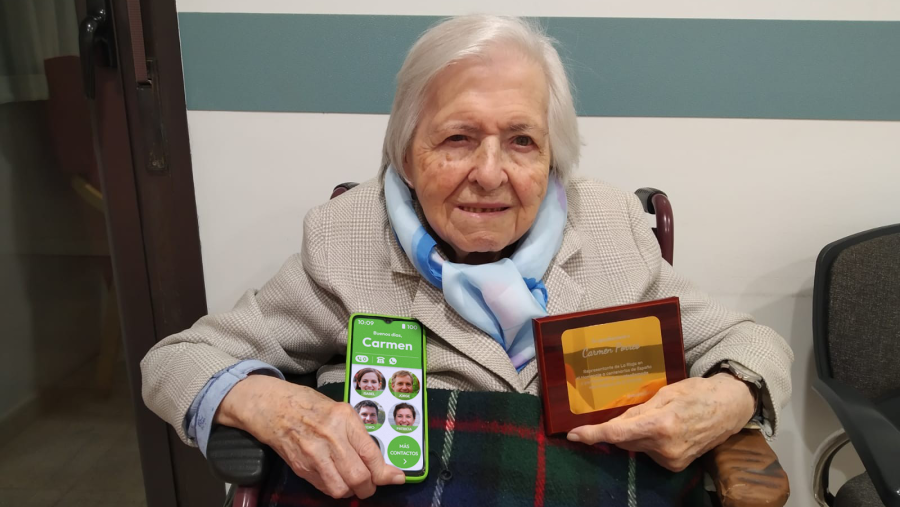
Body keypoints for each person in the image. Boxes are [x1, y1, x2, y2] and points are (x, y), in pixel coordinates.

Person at [141, 14, 793, 502]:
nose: (490, 173)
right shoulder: (346, 237)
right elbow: (174, 362)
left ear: (553, 156)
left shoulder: (612, 226)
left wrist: (725, 399)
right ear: (404, 151)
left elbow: (754, 343)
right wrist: (273, 405)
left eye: (521, 141)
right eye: (457, 138)